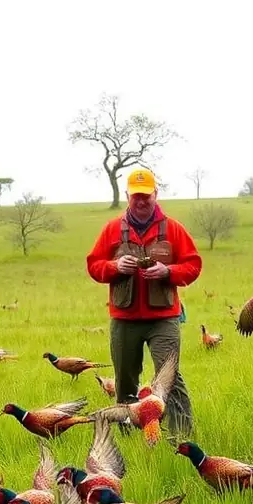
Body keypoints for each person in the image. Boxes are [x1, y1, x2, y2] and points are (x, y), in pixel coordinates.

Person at [86, 168, 202, 436]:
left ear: (156, 195)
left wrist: (168, 272)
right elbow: (94, 266)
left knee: (169, 378)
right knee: (125, 380)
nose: (141, 201)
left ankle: (181, 438)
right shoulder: (112, 229)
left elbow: (193, 265)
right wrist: (114, 266)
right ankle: (128, 437)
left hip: (164, 319)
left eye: (146, 196)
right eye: (136, 196)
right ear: (127, 195)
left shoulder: (173, 228)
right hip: (124, 320)